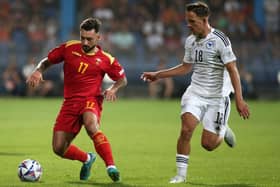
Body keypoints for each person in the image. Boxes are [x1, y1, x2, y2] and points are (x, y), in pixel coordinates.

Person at [141, 1, 250, 184]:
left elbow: (233, 70)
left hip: (217, 97)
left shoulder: (220, 40)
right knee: (186, 130)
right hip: (195, 93)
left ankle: (223, 130)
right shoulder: (191, 40)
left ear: (204, 19)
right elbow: (185, 67)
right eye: (187, 21)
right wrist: (158, 75)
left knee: (208, 144)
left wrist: (239, 99)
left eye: (192, 21)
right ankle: (180, 176)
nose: (188, 25)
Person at [26, 18, 127, 182]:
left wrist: (113, 88)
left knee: (91, 125)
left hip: (90, 100)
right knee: (58, 148)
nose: (85, 42)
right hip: (70, 103)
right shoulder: (69, 47)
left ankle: (111, 166)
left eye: (89, 39)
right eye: (83, 38)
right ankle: (87, 159)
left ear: (98, 38)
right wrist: (38, 71)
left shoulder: (106, 59)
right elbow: (47, 61)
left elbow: (122, 79)